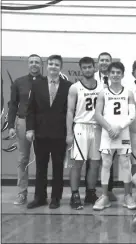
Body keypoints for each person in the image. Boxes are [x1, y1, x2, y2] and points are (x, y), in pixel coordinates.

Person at [26, 55, 72, 209]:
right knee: (41, 167)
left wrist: (69, 133)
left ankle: (56, 198)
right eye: (51, 64)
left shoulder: (68, 86)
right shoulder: (37, 84)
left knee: (58, 167)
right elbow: (31, 109)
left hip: (60, 133)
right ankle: (40, 197)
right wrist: (30, 128)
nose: (53, 66)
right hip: (40, 132)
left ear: (61, 67)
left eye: (56, 64)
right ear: (46, 66)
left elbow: (70, 111)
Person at [93, 62, 136, 211]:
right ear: (108, 75)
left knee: (125, 165)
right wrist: (109, 128)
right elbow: (97, 114)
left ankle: (127, 195)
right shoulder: (102, 93)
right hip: (107, 134)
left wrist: (119, 127)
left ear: (123, 74)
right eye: (113, 72)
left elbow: (132, 115)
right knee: (106, 165)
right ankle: (105, 196)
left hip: (123, 133)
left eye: (119, 72)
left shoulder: (128, 93)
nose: (116, 75)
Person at [65, 57, 102, 210]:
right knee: (77, 163)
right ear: (81, 69)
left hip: (97, 128)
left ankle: (91, 193)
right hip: (80, 127)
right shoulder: (75, 87)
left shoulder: (102, 87)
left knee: (94, 164)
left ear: (95, 68)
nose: (87, 70)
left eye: (89, 67)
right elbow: (69, 111)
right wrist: (69, 133)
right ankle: (74, 194)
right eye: (84, 68)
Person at [7, 54, 43, 205]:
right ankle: (22, 193)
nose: (34, 64)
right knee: (23, 159)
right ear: (28, 64)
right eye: (31, 62)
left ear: (41, 65)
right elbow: (13, 105)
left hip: (41, 124)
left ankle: (40, 195)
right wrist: (10, 126)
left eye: (37, 62)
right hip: (22, 123)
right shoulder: (19, 82)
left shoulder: (47, 82)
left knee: (42, 160)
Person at [93, 52, 116, 201]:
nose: (104, 63)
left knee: (110, 159)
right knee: (94, 159)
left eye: (107, 60)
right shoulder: (92, 79)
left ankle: (109, 190)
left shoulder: (118, 79)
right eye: (102, 60)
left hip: (111, 125)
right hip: (94, 123)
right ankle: (93, 190)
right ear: (98, 62)